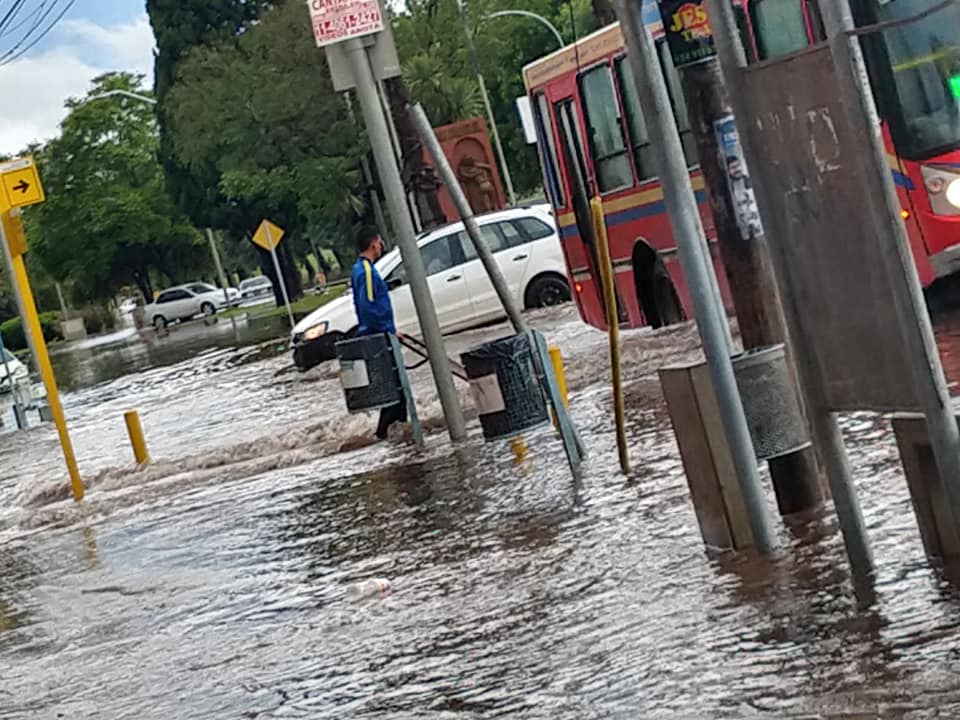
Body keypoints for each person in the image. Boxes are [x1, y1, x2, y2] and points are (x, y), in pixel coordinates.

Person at [351, 226, 407, 440]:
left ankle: (400, 438)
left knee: (397, 392)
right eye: (380, 242)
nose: (382, 245)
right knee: (396, 393)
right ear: (373, 243)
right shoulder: (365, 272)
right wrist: (388, 331)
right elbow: (369, 306)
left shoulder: (361, 269)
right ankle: (382, 436)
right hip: (379, 338)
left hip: (379, 336)